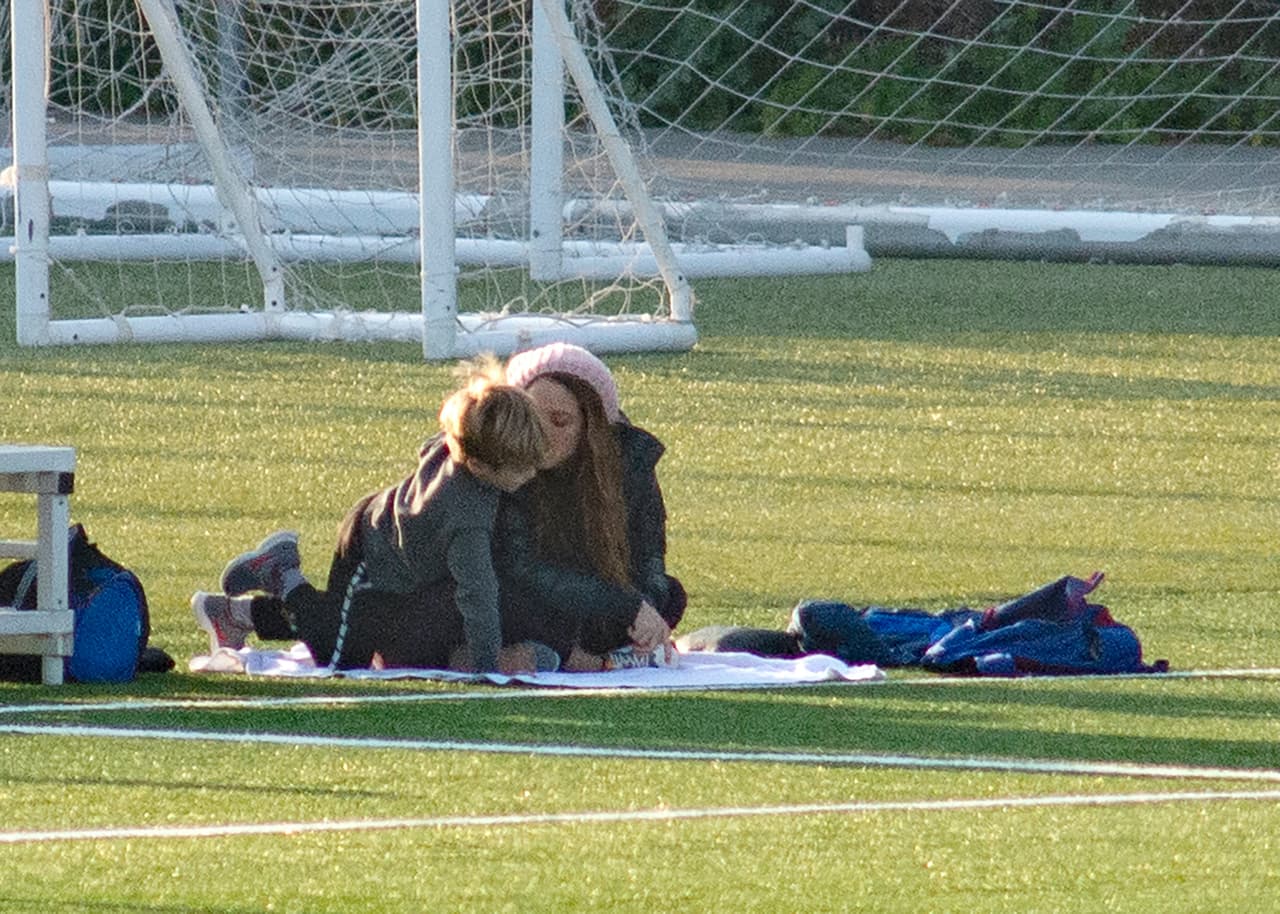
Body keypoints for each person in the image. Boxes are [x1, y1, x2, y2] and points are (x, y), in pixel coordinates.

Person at [193, 368, 559, 674]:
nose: (531, 475)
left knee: (351, 627)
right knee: (339, 660)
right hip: (368, 558)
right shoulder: (468, 521)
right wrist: (487, 668)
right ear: (479, 466)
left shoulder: (458, 443)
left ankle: (235, 614)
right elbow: (477, 594)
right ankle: (282, 573)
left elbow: (430, 446)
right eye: (521, 469)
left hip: (399, 565)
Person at [496, 342, 686, 671]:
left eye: (559, 422)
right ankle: (576, 659)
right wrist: (625, 605)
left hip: (598, 600)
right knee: (509, 598)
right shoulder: (505, 467)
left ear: (591, 427)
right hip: (537, 599)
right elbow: (519, 568)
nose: (541, 434)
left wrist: (646, 609)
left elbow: (649, 552)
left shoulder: (630, 463)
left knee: (670, 593)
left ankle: (626, 648)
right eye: (532, 418)